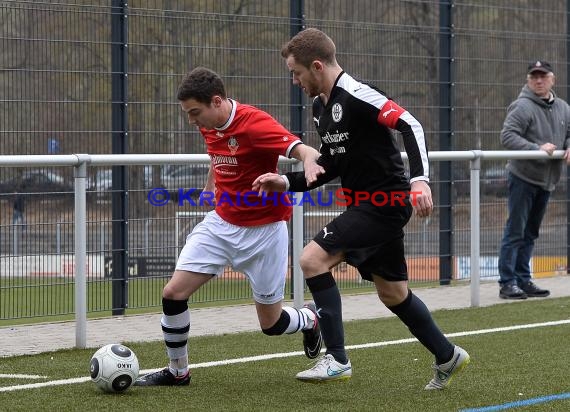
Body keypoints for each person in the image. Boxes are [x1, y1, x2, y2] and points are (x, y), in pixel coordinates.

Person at [253, 28, 469, 389]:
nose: (294, 80)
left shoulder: (357, 94)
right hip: (365, 206)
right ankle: (447, 355)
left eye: (296, 72)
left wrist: (420, 180)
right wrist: (287, 182)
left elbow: (410, 124)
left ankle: (337, 358)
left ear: (317, 65)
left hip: (383, 204)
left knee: (311, 259)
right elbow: (334, 165)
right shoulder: (321, 107)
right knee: (393, 293)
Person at [135, 67, 325, 386]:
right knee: (172, 293)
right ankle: (177, 371)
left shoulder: (255, 124)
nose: (192, 121)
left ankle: (310, 318)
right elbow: (216, 153)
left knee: (272, 324)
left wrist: (308, 160)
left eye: (195, 113)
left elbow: (302, 149)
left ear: (217, 101)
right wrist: (211, 186)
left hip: (265, 234)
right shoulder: (207, 123)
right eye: (188, 114)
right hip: (221, 226)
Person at [498, 60, 570, 299]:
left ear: (552, 79)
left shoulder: (563, 107)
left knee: (530, 232)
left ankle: (523, 279)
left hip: (547, 180)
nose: (538, 80)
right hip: (523, 177)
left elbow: (568, 133)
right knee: (515, 231)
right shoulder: (522, 106)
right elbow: (507, 136)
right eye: (534, 76)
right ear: (528, 80)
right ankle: (507, 282)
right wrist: (535, 148)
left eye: (543, 76)